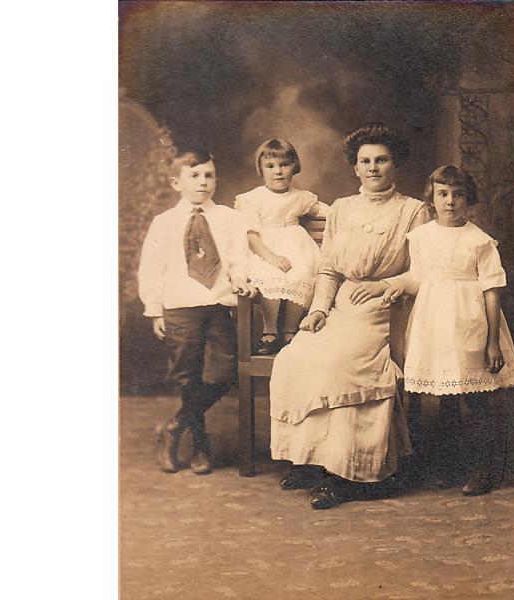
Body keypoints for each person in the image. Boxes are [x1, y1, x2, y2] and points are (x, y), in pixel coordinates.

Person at [269, 123, 430, 509]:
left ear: (395, 165)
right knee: (296, 356)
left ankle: (348, 472)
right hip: (339, 306)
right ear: (355, 168)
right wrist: (319, 309)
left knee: (341, 363)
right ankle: (310, 460)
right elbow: (328, 270)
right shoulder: (341, 208)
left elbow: (424, 271)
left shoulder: (413, 211)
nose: (373, 168)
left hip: (384, 311)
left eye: (381, 160)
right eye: (365, 161)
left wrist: (384, 285)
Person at [382, 165, 514, 495]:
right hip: (433, 324)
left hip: (469, 323)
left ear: (467, 198)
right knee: (444, 398)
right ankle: (452, 464)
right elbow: (419, 279)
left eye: (458, 194)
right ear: (431, 198)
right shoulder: (420, 237)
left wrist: (492, 343)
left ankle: (484, 469)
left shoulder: (479, 241)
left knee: (474, 399)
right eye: (443, 194)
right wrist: (395, 285)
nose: (450, 201)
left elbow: (492, 290)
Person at [138, 148, 256, 474]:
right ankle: (201, 444)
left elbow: (239, 259)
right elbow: (152, 267)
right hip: (179, 305)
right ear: (176, 182)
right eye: (194, 176)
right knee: (188, 377)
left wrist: (241, 280)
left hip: (217, 303)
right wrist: (154, 309)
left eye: (209, 175)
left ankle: (174, 427)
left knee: (224, 373)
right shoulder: (164, 223)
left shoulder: (229, 218)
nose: (203, 182)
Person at [235, 139, 329, 354]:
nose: (277, 172)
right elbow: (250, 234)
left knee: (302, 273)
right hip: (264, 248)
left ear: (294, 167)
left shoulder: (300, 197)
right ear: (261, 169)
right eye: (270, 166)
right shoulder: (252, 198)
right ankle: (270, 331)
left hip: (297, 246)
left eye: (283, 165)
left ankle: (290, 331)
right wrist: (271, 257)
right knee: (269, 275)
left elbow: (328, 211)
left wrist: (347, 214)